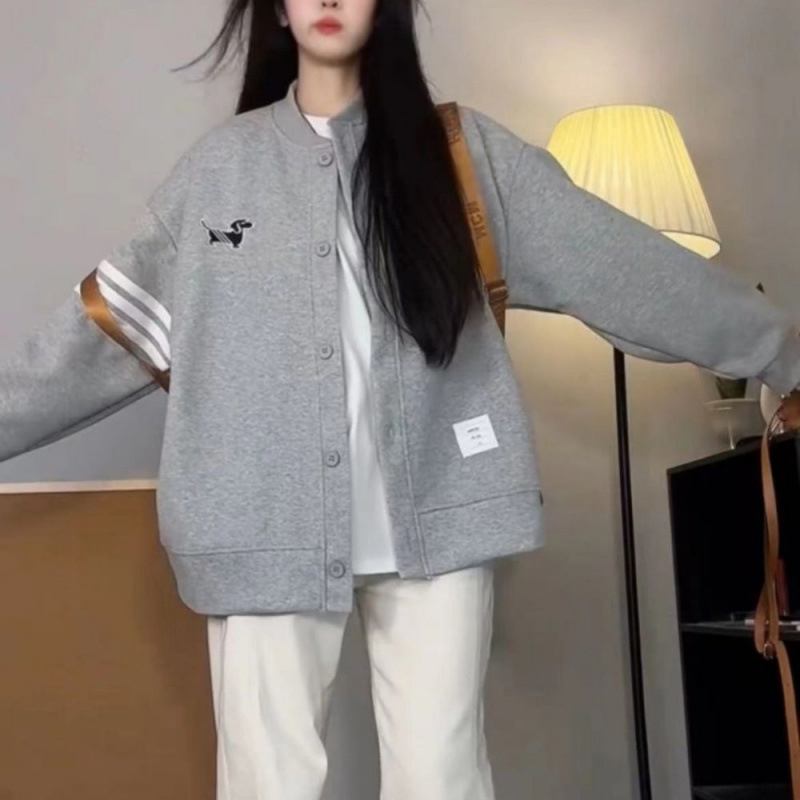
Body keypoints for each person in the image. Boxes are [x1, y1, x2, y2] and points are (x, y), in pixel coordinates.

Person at [2, 1, 799, 798]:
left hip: (441, 517)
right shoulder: (219, 172)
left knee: (441, 778)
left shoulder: (462, 155)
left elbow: (623, 264)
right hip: (259, 524)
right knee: (266, 783)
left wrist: (782, 356)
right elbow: (90, 338)